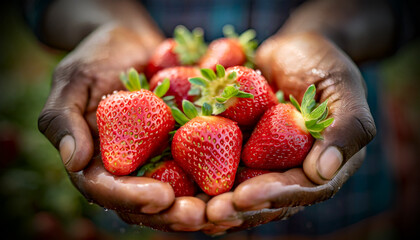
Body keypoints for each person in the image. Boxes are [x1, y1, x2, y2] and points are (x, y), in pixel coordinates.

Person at [23, 0, 411, 236]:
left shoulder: (220, 118)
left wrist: (330, 31)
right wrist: (107, 26)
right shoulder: (177, 113)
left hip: (340, 218)